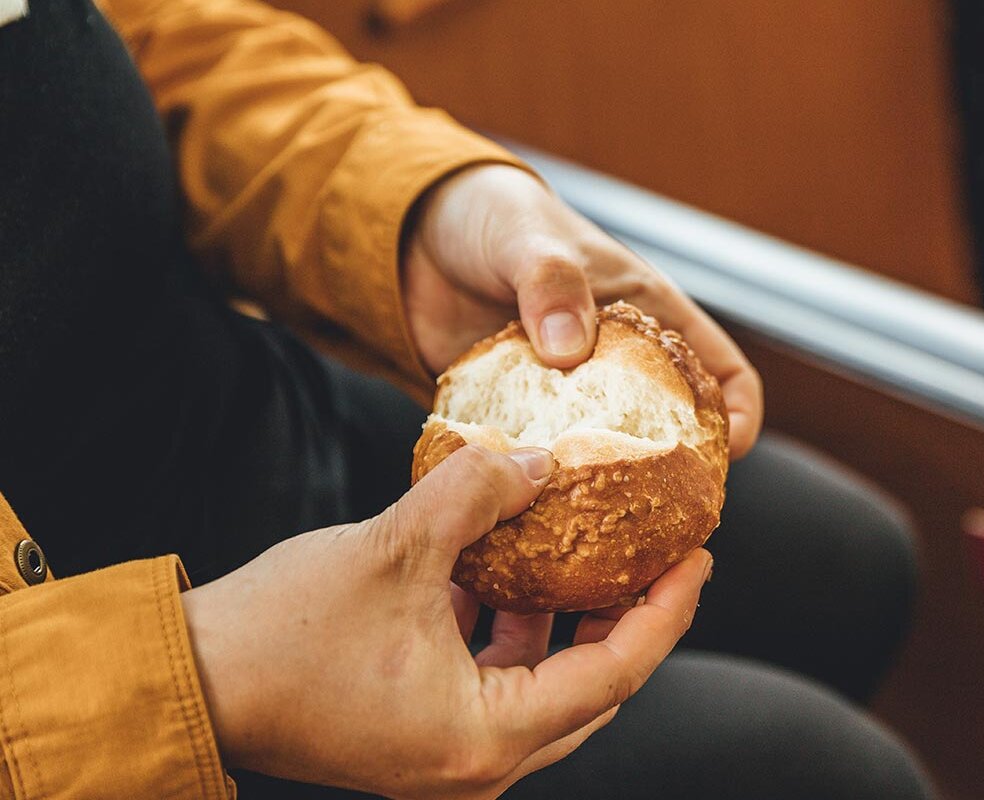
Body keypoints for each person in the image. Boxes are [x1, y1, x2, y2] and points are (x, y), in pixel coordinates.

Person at [0, 0, 936, 797]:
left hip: (231, 409)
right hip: (116, 702)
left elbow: (149, 40)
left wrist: (416, 213)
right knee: (828, 774)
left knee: (846, 562)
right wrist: (196, 681)